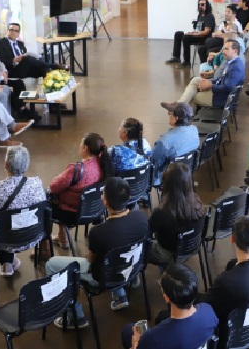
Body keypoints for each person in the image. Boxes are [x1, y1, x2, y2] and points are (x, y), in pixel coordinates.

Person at [49, 177, 149, 328]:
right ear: (128, 197)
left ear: (105, 201)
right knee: (116, 254)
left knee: (51, 264)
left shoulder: (98, 232)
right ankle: (120, 296)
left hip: (102, 278)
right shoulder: (141, 217)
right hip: (130, 268)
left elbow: (90, 260)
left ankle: (75, 317)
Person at [205, 215, 249, 346]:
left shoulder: (226, 281)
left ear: (232, 239)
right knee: (232, 264)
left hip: (230, 336)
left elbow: (208, 309)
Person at [0, 146, 46, 276]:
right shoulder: (36, 184)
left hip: (3, 241)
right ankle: (8, 262)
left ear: (5, 164)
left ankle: (7, 262)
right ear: (26, 165)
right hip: (32, 236)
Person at [121, 264, 218, 349]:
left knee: (127, 331)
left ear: (166, 297)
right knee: (161, 316)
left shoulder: (153, 338)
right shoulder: (208, 310)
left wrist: (135, 344)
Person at [48, 133, 114, 250]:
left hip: (72, 214)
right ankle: (62, 237)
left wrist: (57, 178)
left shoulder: (77, 169)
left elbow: (54, 187)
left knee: (46, 201)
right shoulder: (104, 164)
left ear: (85, 148)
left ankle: (48, 246)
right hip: (95, 210)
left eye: (80, 144)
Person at [148, 162, 206, 264]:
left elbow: (148, 231)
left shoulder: (161, 213)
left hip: (167, 254)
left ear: (166, 183)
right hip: (190, 248)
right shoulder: (198, 203)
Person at [177, 39, 245, 108]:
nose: (223, 51)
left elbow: (228, 88)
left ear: (235, 51)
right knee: (195, 80)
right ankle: (179, 108)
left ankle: (178, 109)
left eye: (226, 49)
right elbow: (222, 79)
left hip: (222, 99)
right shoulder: (231, 62)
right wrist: (210, 82)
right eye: (224, 49)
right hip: (221, 93)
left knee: (192, 96)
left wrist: (210, 86)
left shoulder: (236, 67)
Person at [152, 102, 200, 186]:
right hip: (187, 172)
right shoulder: (194, 130)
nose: (168, 114)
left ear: (176, 118)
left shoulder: (164, 142)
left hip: (169, 177)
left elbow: (154, 161)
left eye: (170, 113)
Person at [166, 0, 216, 67]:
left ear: (207, 5)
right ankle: (176, 57)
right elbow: (198, 29)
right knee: (178, 34)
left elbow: (206, 32)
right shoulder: (200, 15)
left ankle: (187, 62)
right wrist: (192, 33)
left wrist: (194, 34)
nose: (200, 6)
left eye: (202, 5)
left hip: (204, 38)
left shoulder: (209, 16)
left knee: (186, 38)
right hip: (198, 35)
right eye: (199, 5)